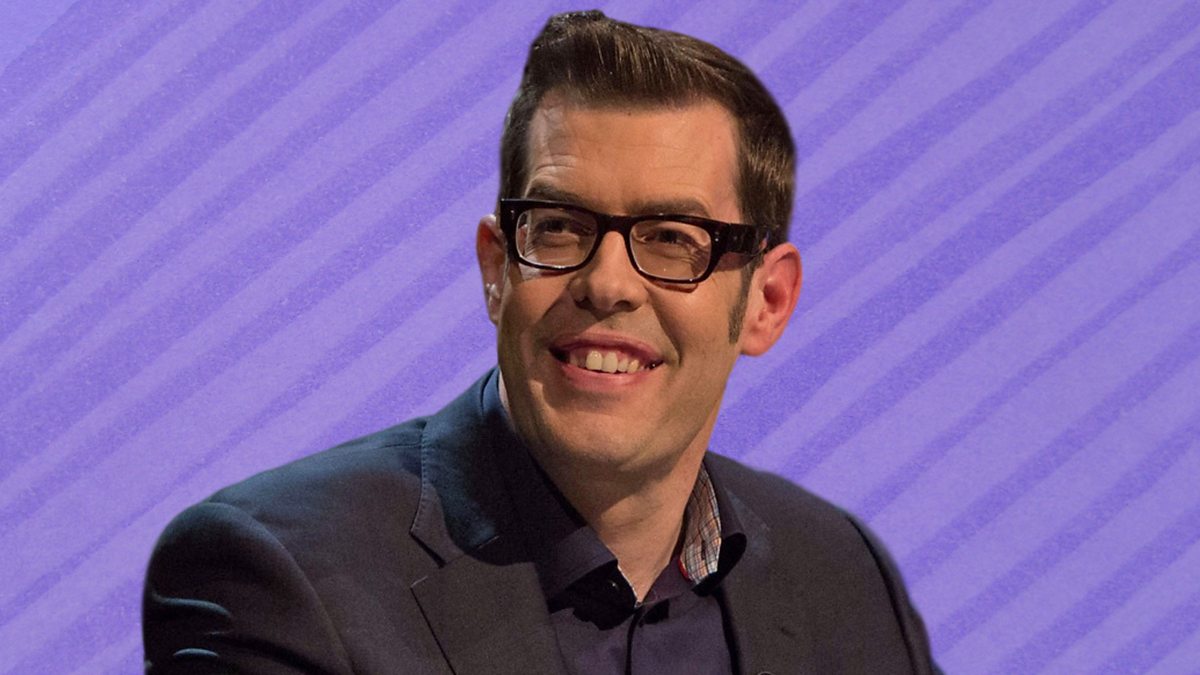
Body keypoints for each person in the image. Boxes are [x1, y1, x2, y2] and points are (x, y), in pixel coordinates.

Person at [143, 10, 937, 674]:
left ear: (767, 300)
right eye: (559, 227)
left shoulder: (845, 577)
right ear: (497, 269)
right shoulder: (277, 576)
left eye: (671, 238)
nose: (607, 282)